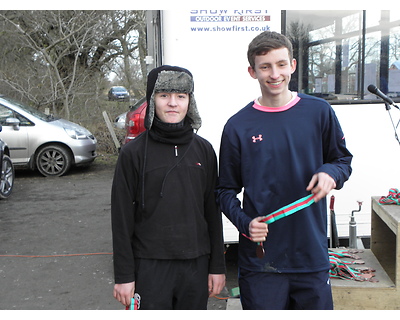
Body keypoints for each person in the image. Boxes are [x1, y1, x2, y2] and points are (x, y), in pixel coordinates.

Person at [216, 31, 353, 310]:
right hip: (261, 263)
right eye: (265, 66)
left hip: (311, 257)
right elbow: (224, 191)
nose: (274, 74)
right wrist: (245, 224)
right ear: (252, 71)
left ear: (292, 65)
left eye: (280, 64)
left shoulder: (319, 112)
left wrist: (330, 173)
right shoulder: (237, 126)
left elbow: (343, 161)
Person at [111, 65, 226, 310]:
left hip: (195, 265)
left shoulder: (204, 151)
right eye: (164, 96)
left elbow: (212, 212)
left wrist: (217, 267)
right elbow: (121, 219)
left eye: (181, 96)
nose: (173, 103)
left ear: (189, 102)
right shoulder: (132, 154)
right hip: (150, 266)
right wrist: (124, 275)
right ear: (152, 101)